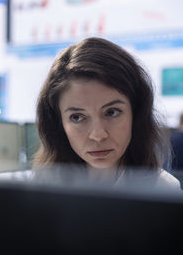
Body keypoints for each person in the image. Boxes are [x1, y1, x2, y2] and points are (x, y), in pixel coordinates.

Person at [33, 37, 180, 190]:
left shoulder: (163, 190)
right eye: (77, 117)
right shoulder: (40, 188)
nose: (98, 135)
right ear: (59, 123)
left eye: (111, 112)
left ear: (136, 114)